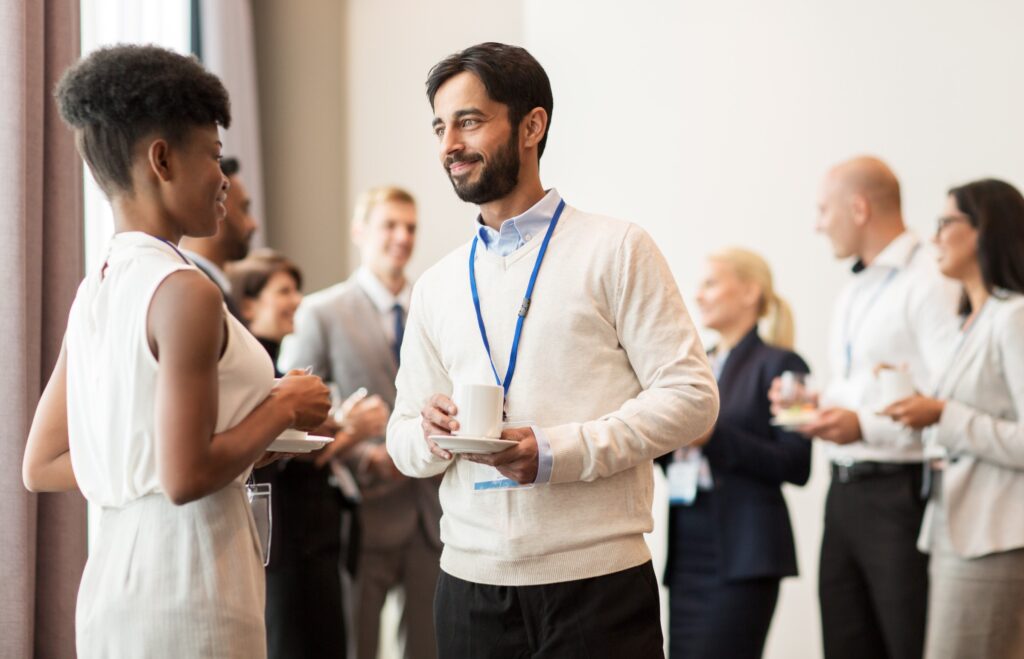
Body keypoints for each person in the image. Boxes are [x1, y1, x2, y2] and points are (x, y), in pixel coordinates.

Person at [385, 42, 719, 658]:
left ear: (531, 125)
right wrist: (429, 434)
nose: (448, 145)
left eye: (469, 120)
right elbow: (402, 438)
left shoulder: (617, 249)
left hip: (597, 584)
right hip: (467, 588)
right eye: (440, 127)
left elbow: (693, 399)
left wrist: (557, 452)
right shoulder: (436, 285)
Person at [20, 45, 331, 658]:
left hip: (114, 574)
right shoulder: (184, 289)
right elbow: (185, 477)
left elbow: (43, 463)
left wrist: (159, 465)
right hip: (191, 577)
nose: (224, 178)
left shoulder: (98, 288)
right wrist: (284, 407)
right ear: (162, 159)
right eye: (214, 156)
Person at [775, 156, 961, 659]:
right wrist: (818, 402)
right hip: (845, 494)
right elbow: (863, 385)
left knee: (908, 642)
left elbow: (951, 397)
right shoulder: (855, 287)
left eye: (822, 210)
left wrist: (863, 425)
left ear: (858, 207)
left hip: (899, 495)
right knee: (845, 642)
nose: (816, 224)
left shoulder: (931, 280)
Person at [279, 186, 441, 659]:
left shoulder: (432, 311)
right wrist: (364, 453)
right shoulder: (321, 312)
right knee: (355, 648)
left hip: (429, 512)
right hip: (359, 514)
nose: (402, 237)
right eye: (389, 225)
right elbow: (292, 413)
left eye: (410, 227)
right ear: (359, 232)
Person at [881, 179, 1024, 658]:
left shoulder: (1014, 316)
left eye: (946, 222)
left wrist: (942, 413)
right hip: (953, 527)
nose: (934, 235)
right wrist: (923, 405)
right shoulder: (972, 321)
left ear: (985, 229)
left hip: (995, 532)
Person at [659, 248, 811, 659]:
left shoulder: (783, 364)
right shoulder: (694, 367)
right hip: (688, 542)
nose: (698, 295)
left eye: (711, 283)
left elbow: (797, 464)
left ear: (749, 293)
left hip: (745, 550)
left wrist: (713, 437)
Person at [180, 156, 257, 320]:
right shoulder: (196, 293)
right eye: (243, 210)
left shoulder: (216, 287)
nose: (253, 225)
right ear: (215, 209)